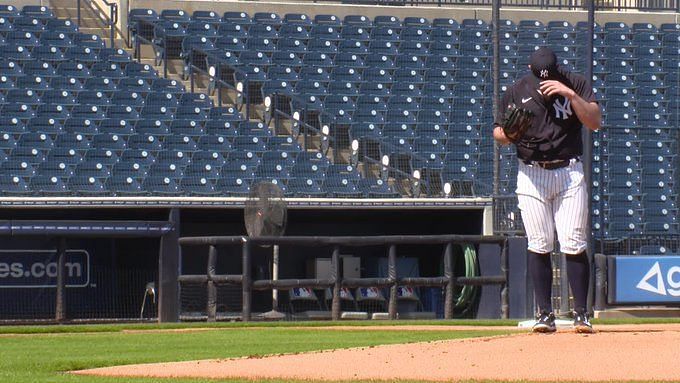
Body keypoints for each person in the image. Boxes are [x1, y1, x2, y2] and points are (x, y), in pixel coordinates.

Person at [493, 47, 602, 333]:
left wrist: (570, 94)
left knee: (573, 241)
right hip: (531, 174)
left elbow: (595, 121)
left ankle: (581, 314)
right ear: (530, 68)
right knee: (539, 242)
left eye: (550, 75)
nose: (545, 80)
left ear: (557, 69)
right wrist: (508, 134)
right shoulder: (517, 90)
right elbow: (498, 132)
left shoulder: (575, 82)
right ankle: (545, 314)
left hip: (568, 171)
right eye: (541, 76)